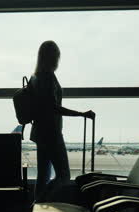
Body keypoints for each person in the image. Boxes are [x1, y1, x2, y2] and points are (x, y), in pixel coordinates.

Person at [29, 40, 95, 202]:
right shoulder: (48, 77)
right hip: (51, 133)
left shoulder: (36, 76)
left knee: (43, 175)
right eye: (57, 56)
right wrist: (81, 114)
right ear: (53, 57)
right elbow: (54, 107)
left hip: (40, 132)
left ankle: (36, 209)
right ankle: (40, 202)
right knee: (64, 175)